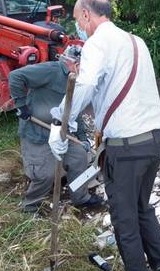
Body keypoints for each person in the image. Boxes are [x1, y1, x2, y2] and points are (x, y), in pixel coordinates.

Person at [49, 0, 160, 271]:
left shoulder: (97, 43)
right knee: (141, 208)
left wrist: (60, 120)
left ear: (88, 16)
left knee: (124, 220)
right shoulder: (135, 41)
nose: (79, 27)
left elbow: (86, 84)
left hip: (126, 148)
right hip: (152, 140)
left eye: (79, 20)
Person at [8, 45, 104, 215]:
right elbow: (15, 76)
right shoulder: (50, 71)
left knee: (79, 157)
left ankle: (79, 197)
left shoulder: (79, 81)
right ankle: (30, 206)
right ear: (73, 63)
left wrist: (82, 138)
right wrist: (21, 105)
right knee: (45, 175)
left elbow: (75, 112)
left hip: (62, 133)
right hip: (38, 134)